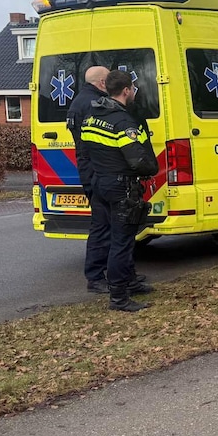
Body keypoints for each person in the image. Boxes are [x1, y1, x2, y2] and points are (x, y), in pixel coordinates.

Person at [79, 69, 159, 312]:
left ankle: (128, 283)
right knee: (121, 243)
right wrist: (151, 167)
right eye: (133, 89)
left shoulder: (92, 116)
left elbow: (87, 151)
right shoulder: (122, 122)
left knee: (111, 237)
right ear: (126, 91)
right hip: (121, 187)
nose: (134, 92)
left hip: (100, 184)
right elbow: (138, 160)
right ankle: (119, 297)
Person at [67, 66, 112, 294]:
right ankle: (95, 277)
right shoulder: (95, 104)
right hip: (98, 170)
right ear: (102, 82)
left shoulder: (79, 101)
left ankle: (106, 274)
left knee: (105, 225)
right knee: (102, 226)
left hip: (89, 169)